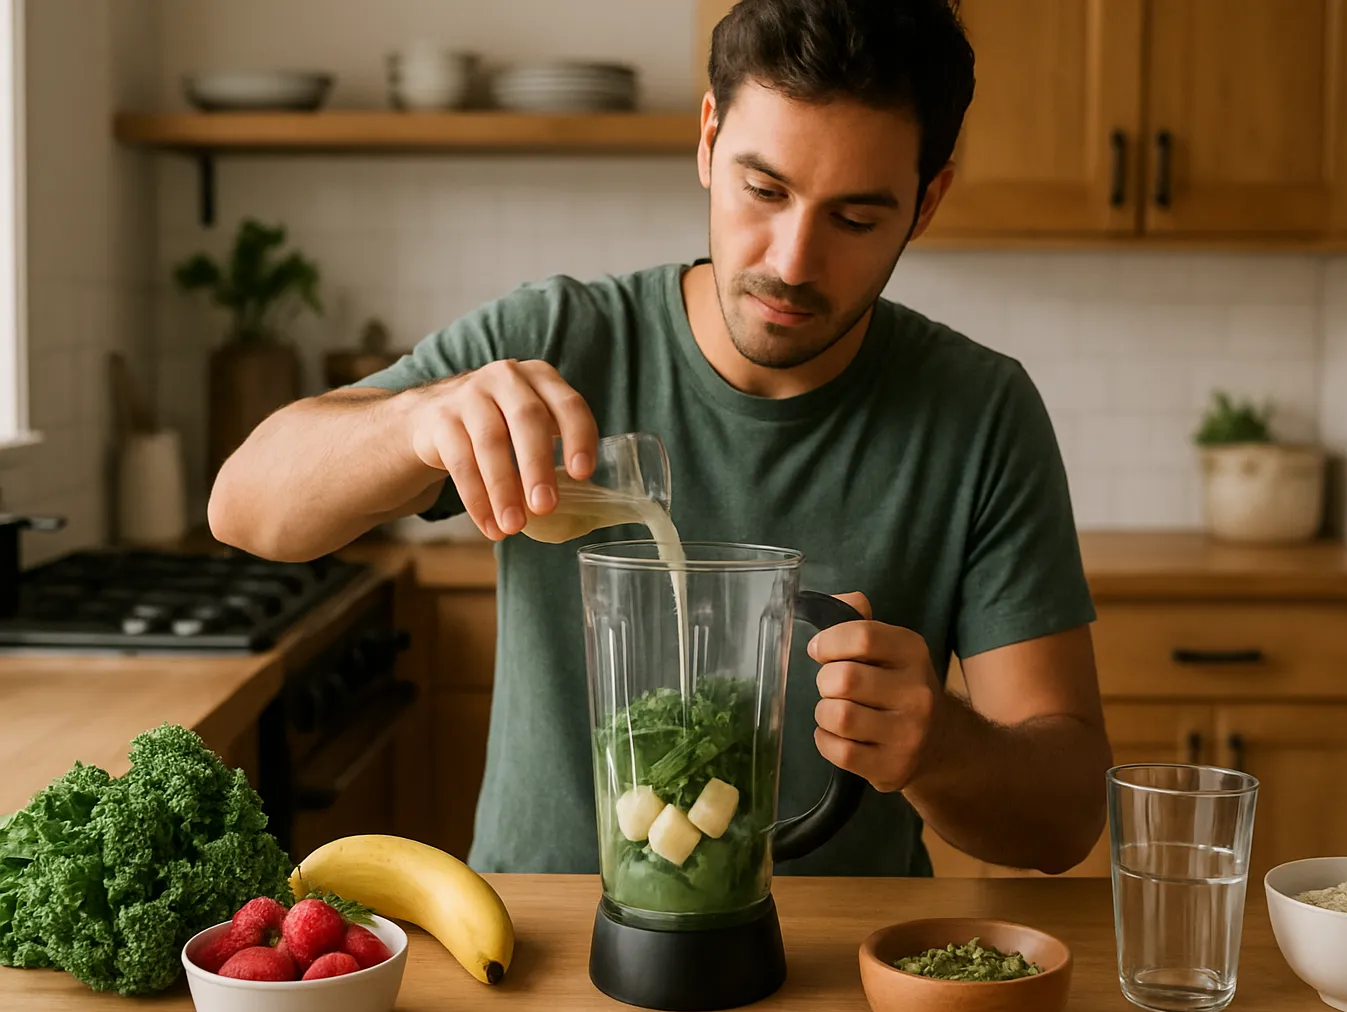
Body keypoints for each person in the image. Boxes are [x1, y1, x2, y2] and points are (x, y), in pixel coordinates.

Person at [209, 0, 1111, 878]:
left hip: (837, 964)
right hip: (543, 945)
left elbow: (1064, 819)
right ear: (710, 137)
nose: (793, 263)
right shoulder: (554, 337)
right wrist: (414, 421)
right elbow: (246, 510)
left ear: (927, 202)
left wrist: (940, 744)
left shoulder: (981, 412)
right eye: (765, 189)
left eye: (856, 218)